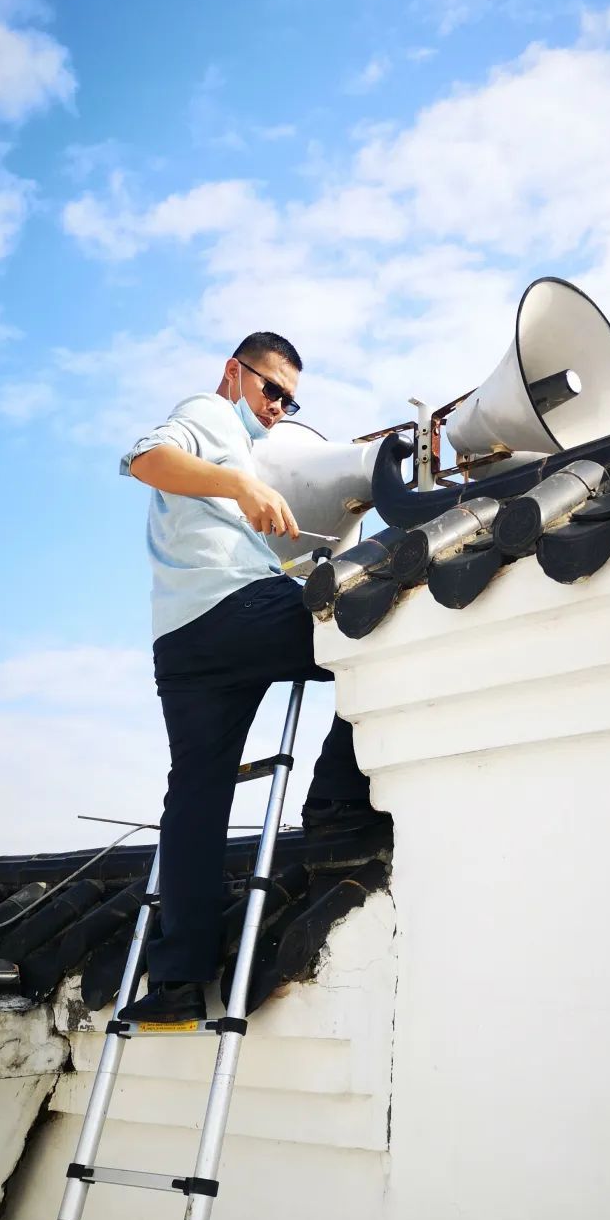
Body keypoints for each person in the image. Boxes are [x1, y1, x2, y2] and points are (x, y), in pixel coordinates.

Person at [117, 332, 379, 1023]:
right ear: (236, 373)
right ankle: (336, 809)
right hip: (230, 610)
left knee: (196, 799)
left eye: (292, 400)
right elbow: (144, 459)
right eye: (272, 391)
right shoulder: (208, 410)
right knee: (379, 632)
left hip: (182, 639)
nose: (279, 408)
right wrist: (240, 481)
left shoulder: (250, 445)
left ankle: (175, 982)